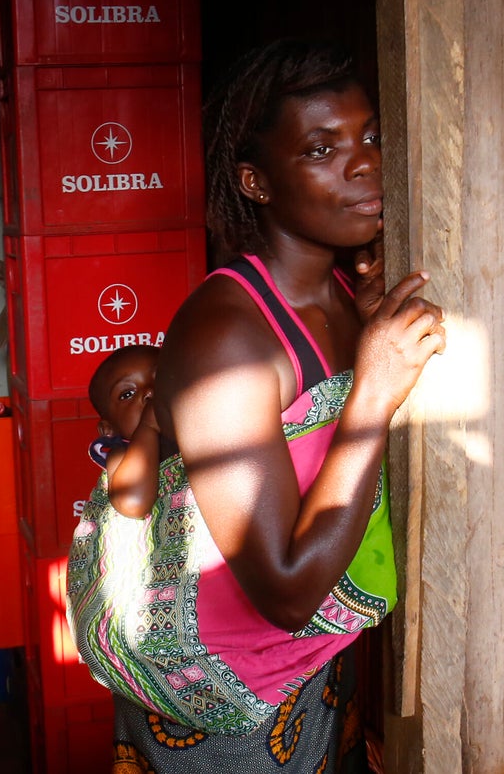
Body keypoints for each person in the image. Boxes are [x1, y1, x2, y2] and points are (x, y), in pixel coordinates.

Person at [67, 39, 446, 773]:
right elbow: (286, 591)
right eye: (321, 148)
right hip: (220, 697)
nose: (364, 161)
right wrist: (372, 392)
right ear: (256, 181)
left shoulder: (342, 293)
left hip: (312, 667)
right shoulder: (227, 339)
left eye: (368, 136)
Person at [87, 344, 162, 520]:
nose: (150, 392)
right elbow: (132, 502)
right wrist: (148, 427)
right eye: (127, 394)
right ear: (109, 429)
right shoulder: (121, 454)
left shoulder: (191, 434)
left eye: (160, 379)